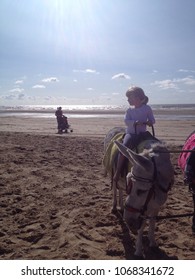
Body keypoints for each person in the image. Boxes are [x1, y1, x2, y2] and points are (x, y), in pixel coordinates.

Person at [113, 86, 155, 182]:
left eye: (130, 97)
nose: (128, 100)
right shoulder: (129, 110)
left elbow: (152, 120)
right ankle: (118, 171)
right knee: (125, 147)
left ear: (139, 98)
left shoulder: (147, 108)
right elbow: (126, 121)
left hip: (143, 133)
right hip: (132, 134)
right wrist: (134, 122)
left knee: (157, 144)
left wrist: (150, 122)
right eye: (128, 98)